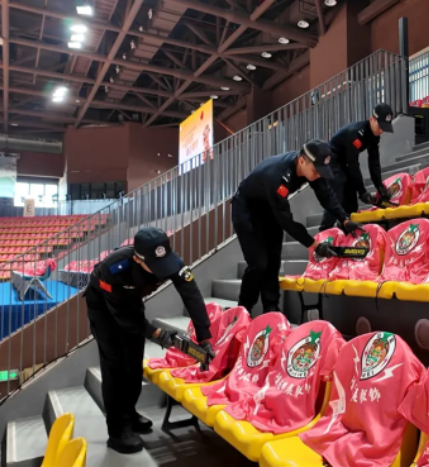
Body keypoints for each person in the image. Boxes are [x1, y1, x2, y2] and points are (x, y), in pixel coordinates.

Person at [85, 227, 215, 454]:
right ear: (138, 259)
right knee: (116, 364)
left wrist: (204, 337)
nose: (162, 272)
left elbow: (191, 294)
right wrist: (157, 334)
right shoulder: (114, 269)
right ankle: (117, 430)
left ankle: (130, 413)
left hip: (131, 301)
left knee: (134, 360)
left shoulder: (173, 262)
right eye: (156, 267)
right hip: (104, 307)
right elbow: (124, 317)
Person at [232, 139, 363, 313]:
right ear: (301, 161)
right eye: (316, 171)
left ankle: (271, 307)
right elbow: (287, 221)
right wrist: (314, 245)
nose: (318, 175)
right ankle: (243, 309)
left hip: (270, 208)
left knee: (274, 261)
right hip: (247, 210)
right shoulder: (277, 175)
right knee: (259, 263)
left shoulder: (311, 169)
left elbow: (326, 195)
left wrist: (345, 219)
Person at [319, 103, 395, 232]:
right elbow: (353, 163)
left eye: (384, 128)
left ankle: (345, 230)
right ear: (372, 119)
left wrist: (379, 186)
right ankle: (323, 232)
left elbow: (374, 162)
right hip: (332, 159)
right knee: (338, 191)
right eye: (380, 126)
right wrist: (362, 191)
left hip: (345, 161)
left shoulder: (374, 136)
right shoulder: (356, 133)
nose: (381, 131)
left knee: (351, 200)